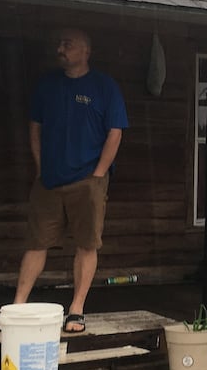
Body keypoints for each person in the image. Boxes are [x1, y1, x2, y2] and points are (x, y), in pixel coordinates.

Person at [14, 28, 128, 333]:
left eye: (68, 44)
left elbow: (115, 132)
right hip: (49, 180)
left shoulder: (105, 87)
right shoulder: (48, 85)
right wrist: (40, 167)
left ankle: (76, 308)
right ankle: (18, 306)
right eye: (60, 43)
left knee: (87, 244)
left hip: (88, 180)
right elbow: (35, 127)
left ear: (86, 51)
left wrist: (99, 173)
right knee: (37, 242)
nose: (61, 48)